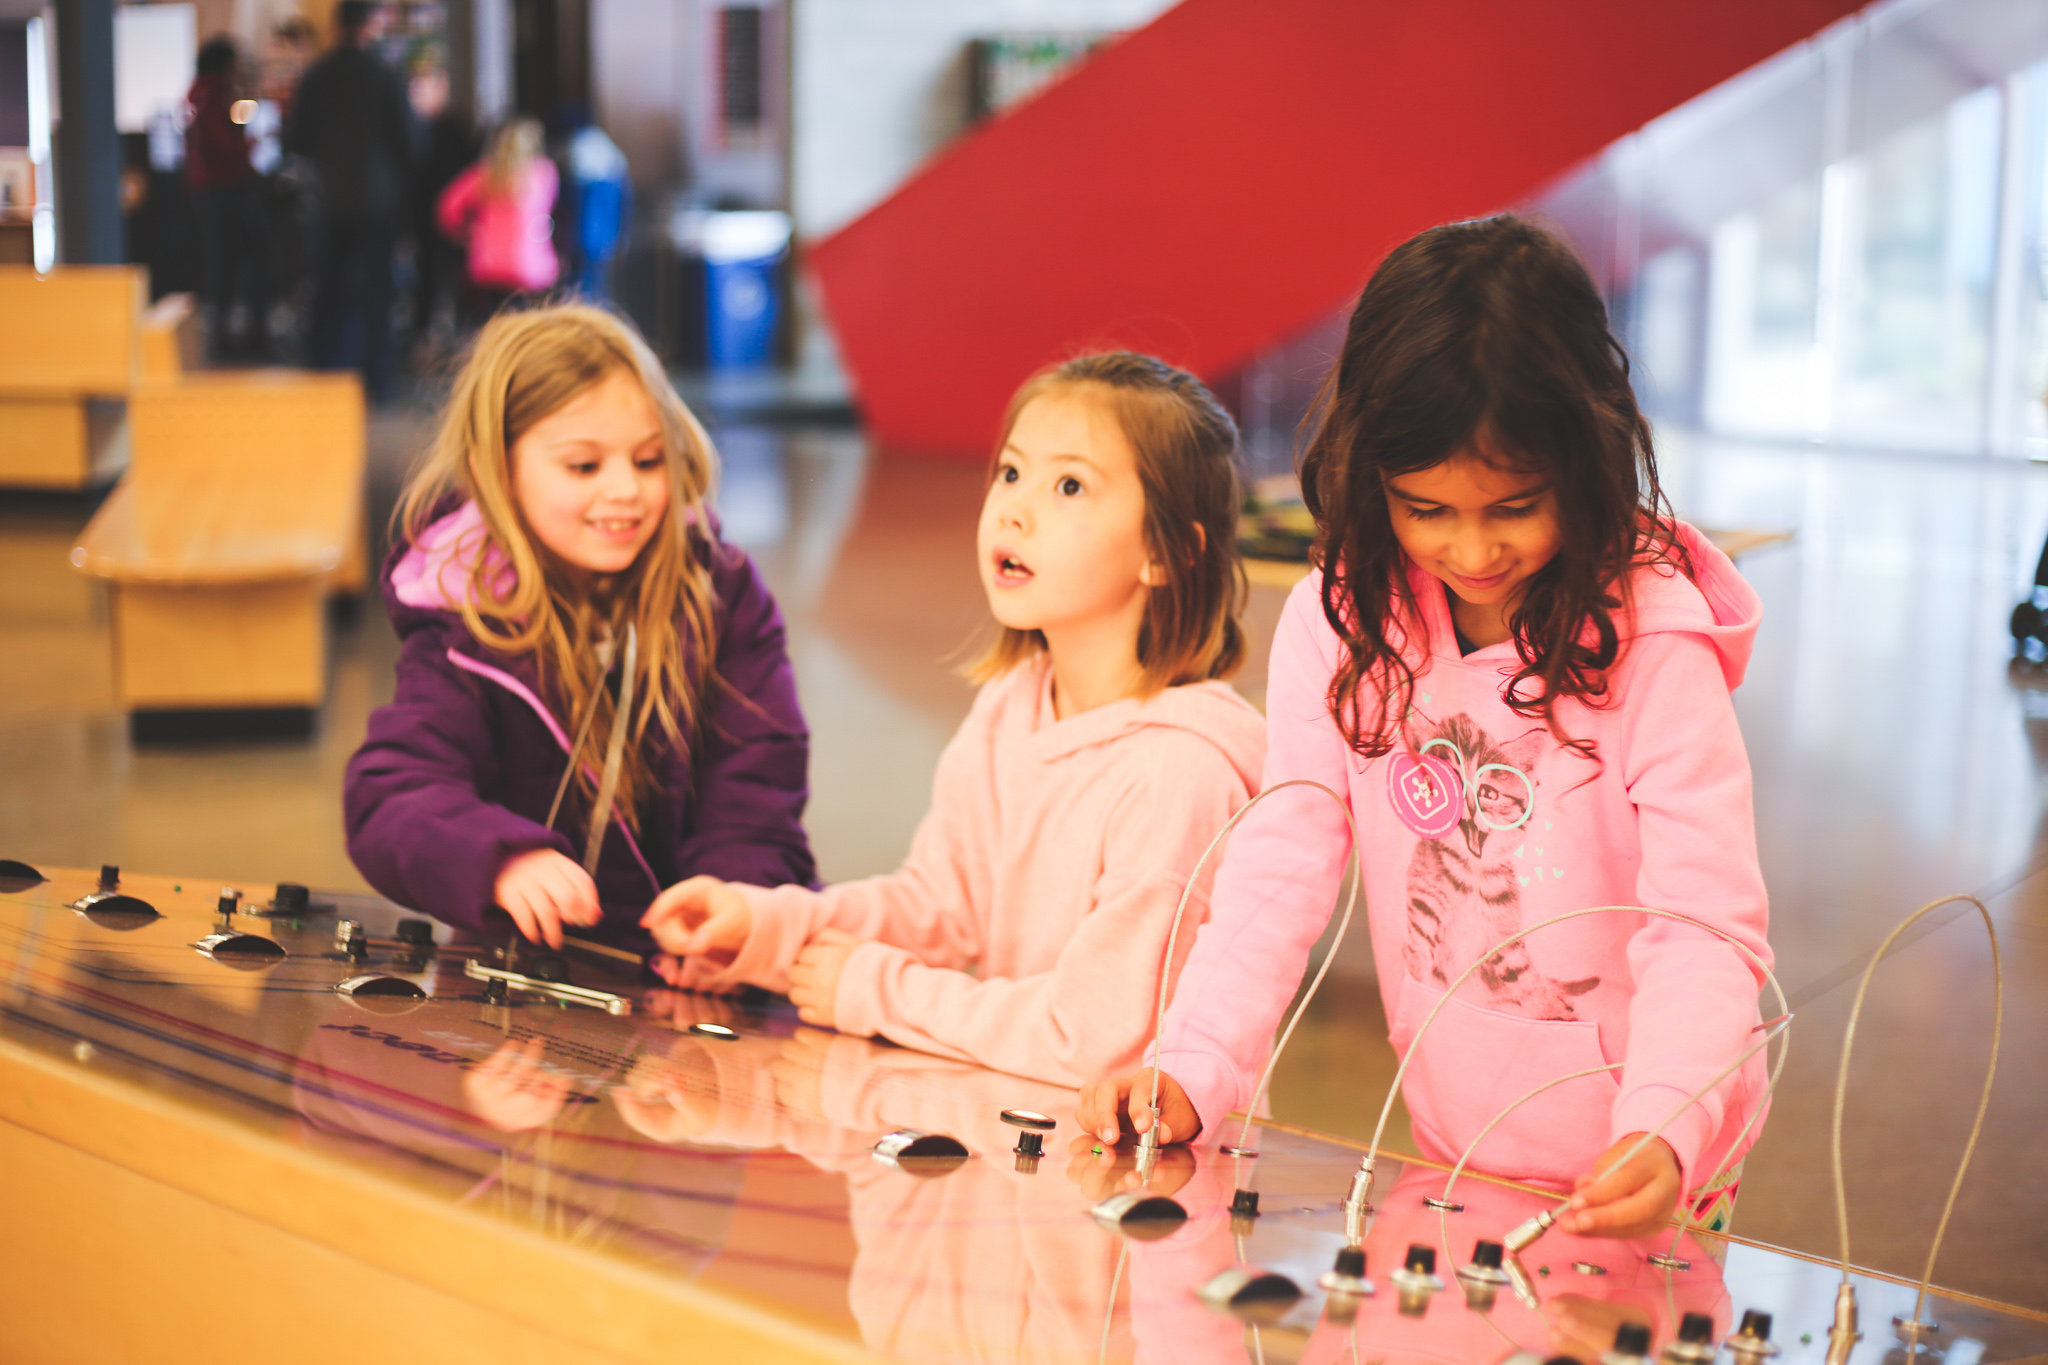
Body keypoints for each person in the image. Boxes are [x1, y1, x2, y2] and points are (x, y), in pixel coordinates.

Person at [1077, 217, 1773, 1242]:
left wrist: (1664, 1122)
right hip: (1457, 1134)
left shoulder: (1655, 647)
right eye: (1424, 509)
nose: (1472, 548)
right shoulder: (1342, 621)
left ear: (1587, 456)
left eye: (1514, 506)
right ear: (1369, 473)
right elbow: (1282, 865)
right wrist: (1194, 1064)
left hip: (1652, 1158)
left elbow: (1703, 923)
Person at [642, 353, 1266, 1088]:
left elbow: (1096, 1041)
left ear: (1166, 552)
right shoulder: (1013, 705)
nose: (1014, 509)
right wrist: (764, 929)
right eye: (1010, 472)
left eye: (1068, 485)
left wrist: (877, 990)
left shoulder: (1178, 771)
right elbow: (936, 909)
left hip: (1141, 1188)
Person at [343, 304, 816, 951]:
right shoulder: (466, 617)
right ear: (496, 473)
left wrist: (733, 907)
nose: (626, 489)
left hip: (705, 971)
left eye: (649, 460)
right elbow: (393, 791)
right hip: (539, 978)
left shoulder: (720, 593)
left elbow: (758, 789)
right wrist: (498, 859)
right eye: (584, 466)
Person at [286, 0, 413, 400]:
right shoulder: (384, 77)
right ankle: (376, 380)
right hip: (377, 200)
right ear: (369, 26)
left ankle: (325, 378)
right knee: (378, 293)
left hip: (329, 199)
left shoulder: (317, 77)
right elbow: (410, 142)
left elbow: (296, 141)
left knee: (329, 289)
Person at [184, 36, 271, 359]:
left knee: (222, 261)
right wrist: (253, 143)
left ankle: (225, 333)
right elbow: (224, 143)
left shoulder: (202, 94)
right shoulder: (212, 95)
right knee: (235, 260)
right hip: (222, 190)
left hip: (213, 190)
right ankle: (235, 335)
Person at [437, 117, 559, 323]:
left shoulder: (484, 173)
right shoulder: (543, 172)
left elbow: (448, 207)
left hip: (489, 265)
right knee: (524, 323)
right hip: (528, 266)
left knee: (493, 321)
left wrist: (464, 233)